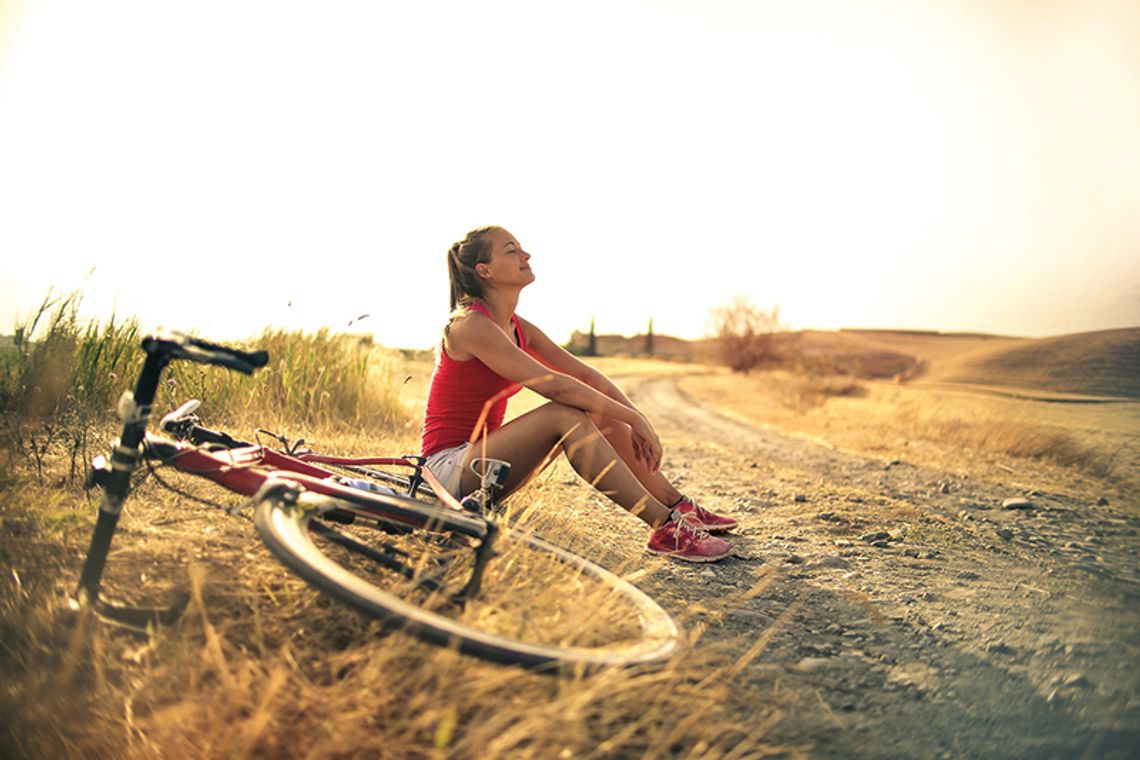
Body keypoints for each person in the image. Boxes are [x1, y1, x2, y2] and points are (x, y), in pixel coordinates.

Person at [421, 226, 737, 562]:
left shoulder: (516, 326)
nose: (525, 255)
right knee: (564, 413)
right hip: (446, 471)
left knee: (600, 409)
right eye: (511, 250)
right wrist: (632, 418)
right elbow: (554, 384)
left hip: (486, 467)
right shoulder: (470, 325)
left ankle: (678, 507)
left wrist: (634, 418)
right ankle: (663, 527)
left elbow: (584, 375)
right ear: (483, 270)